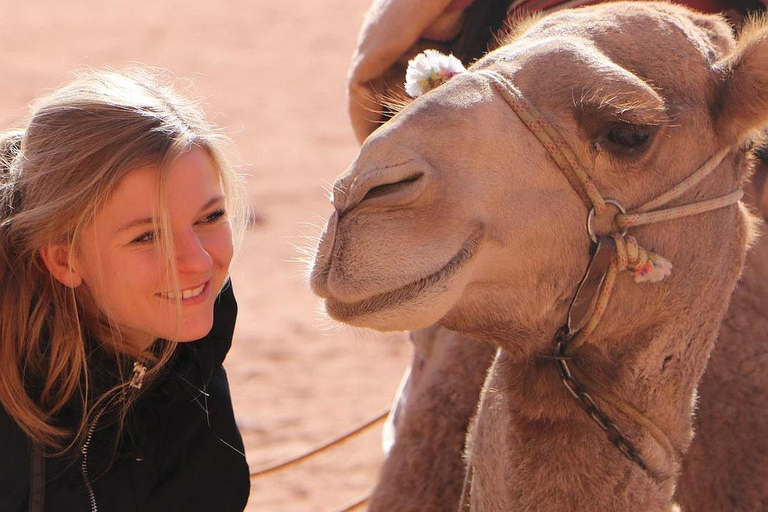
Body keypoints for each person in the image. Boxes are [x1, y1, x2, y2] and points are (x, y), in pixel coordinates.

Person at [0, 68, 250, 512]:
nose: (198, 262)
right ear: (64, 259)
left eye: (209, 217)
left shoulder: (191, 350)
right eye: (147, 237)